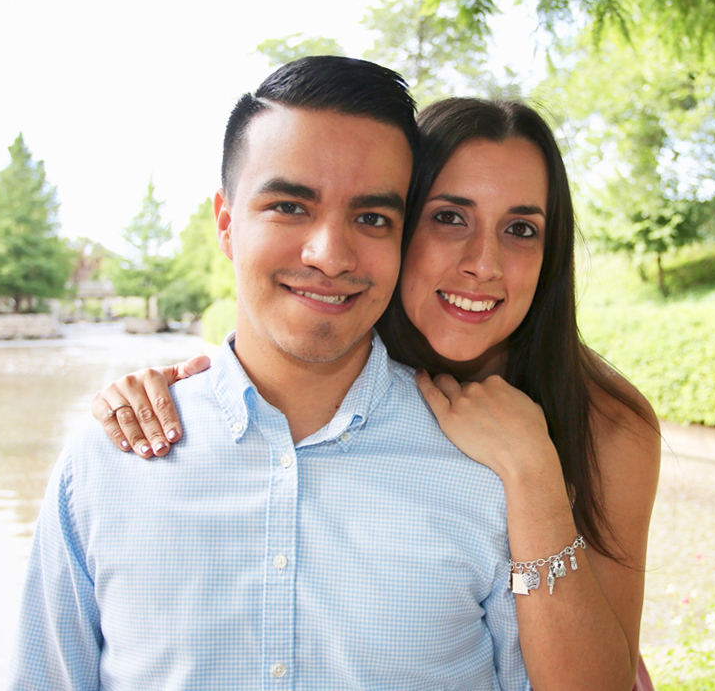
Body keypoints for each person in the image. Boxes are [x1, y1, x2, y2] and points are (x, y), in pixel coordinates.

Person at [91, 97, 661, 690]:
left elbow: (606, 677)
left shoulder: (607, 423)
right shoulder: (339, 355)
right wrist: (169, 396)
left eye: (520, 229)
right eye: (450, 218)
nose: (484, 264)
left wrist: (533, 470)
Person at [7, 57, 532, 690]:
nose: (330, 256)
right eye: (289, 206)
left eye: (372, 218)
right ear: (227, 225)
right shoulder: (105, 464)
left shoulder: (484, 470)